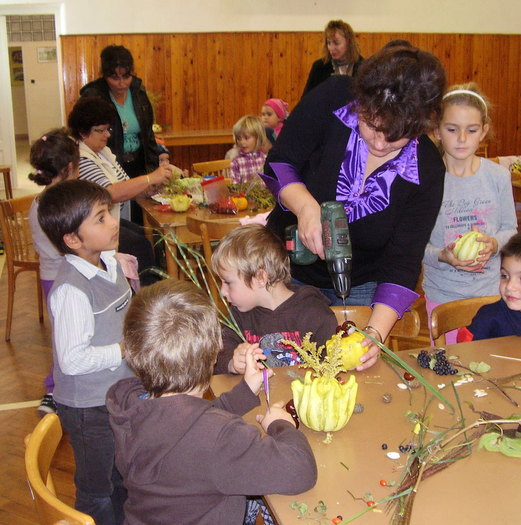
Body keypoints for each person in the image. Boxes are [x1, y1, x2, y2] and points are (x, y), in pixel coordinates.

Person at [261, 45, 446, 371]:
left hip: (360, 284)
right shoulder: (332, 97)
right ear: (361, 102)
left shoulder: (427, 169)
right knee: (281, 368)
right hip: (285, 270)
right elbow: (280, 162)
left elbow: (402, 264)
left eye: (396, 138)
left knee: (351, 374)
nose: (379, 143)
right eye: (372, 125)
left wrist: (374, 334)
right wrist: (305, 207)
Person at [106, 280, 317, 525]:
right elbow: (300, 471)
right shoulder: (217, 438)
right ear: (216, 348)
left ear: (132, 349)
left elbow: (183, 424)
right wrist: (281, 425)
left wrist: (245, 391)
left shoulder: (129, 402)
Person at [37, 179, 134, 525]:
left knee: (119, 475)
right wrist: (124, 350)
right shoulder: (72, 291)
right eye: (100, 218)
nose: (113, 222)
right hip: (88, 408)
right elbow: (73, 360)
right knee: (97, 489)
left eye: (109, 213)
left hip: (114, 396)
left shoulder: (109, 262)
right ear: (73, 240)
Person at [422, 83, 517, 344]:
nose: (462, 138)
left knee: (489, 360)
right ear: (437, 130)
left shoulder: (498, 176)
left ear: (483, 131)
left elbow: (510, 229)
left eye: (471, 130)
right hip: (443, 295)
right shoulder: (425, 180)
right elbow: (414, 245)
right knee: (449, 362)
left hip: (489, 294)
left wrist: (494, 243)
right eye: (452, 129)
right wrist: (442, 255)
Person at [68, 95, 172, 285]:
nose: (107, 134)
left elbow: (124, 184)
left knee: (151, 235)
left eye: (108, 129)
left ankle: (150, 288)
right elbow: (109, 194)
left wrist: (146, 190)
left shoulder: (103, 152)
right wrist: (150, 178)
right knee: (140, 244)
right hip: (91, 227)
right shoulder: (81, 157)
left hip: (108, 219)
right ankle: (145, 294)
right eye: (100, 130)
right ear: (83, 133)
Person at [211, 224, 337, 374]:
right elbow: (218, 355)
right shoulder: (239, 315)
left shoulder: (315, 314)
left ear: (260, 278)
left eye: (228, 282)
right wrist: (232, 363)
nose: (222, 292)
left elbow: (334, 366)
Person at [28, 129, 80, 415]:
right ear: (69, 168)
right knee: (65, 339)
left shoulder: (43, 200)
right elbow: (71, 246)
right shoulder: (58, 205)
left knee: (68, 336)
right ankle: (53, 391)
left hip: (55, 277)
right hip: (64, 279)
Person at [80, 45, 159, 180]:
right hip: (108, 166)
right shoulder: (93, 96)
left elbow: (148, 135)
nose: (121, 83)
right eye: (115, 78)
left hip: (139, 163)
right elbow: (84, 137)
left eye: (126, 77)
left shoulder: (138, 93)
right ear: (105, 76)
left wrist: (154, 169)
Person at [302, 19, 363, 96]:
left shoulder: (363, 67)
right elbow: (307, 98)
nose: (331, 48)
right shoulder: (319, 68)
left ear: (349, 42)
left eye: (336, 43)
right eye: (329, 43)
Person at [230, 115, 267, 185]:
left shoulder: (265, 159)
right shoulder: (236, 162)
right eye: (239, 138)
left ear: (258, 137)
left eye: (246, 138)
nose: (242, 142)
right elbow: (235, 187)